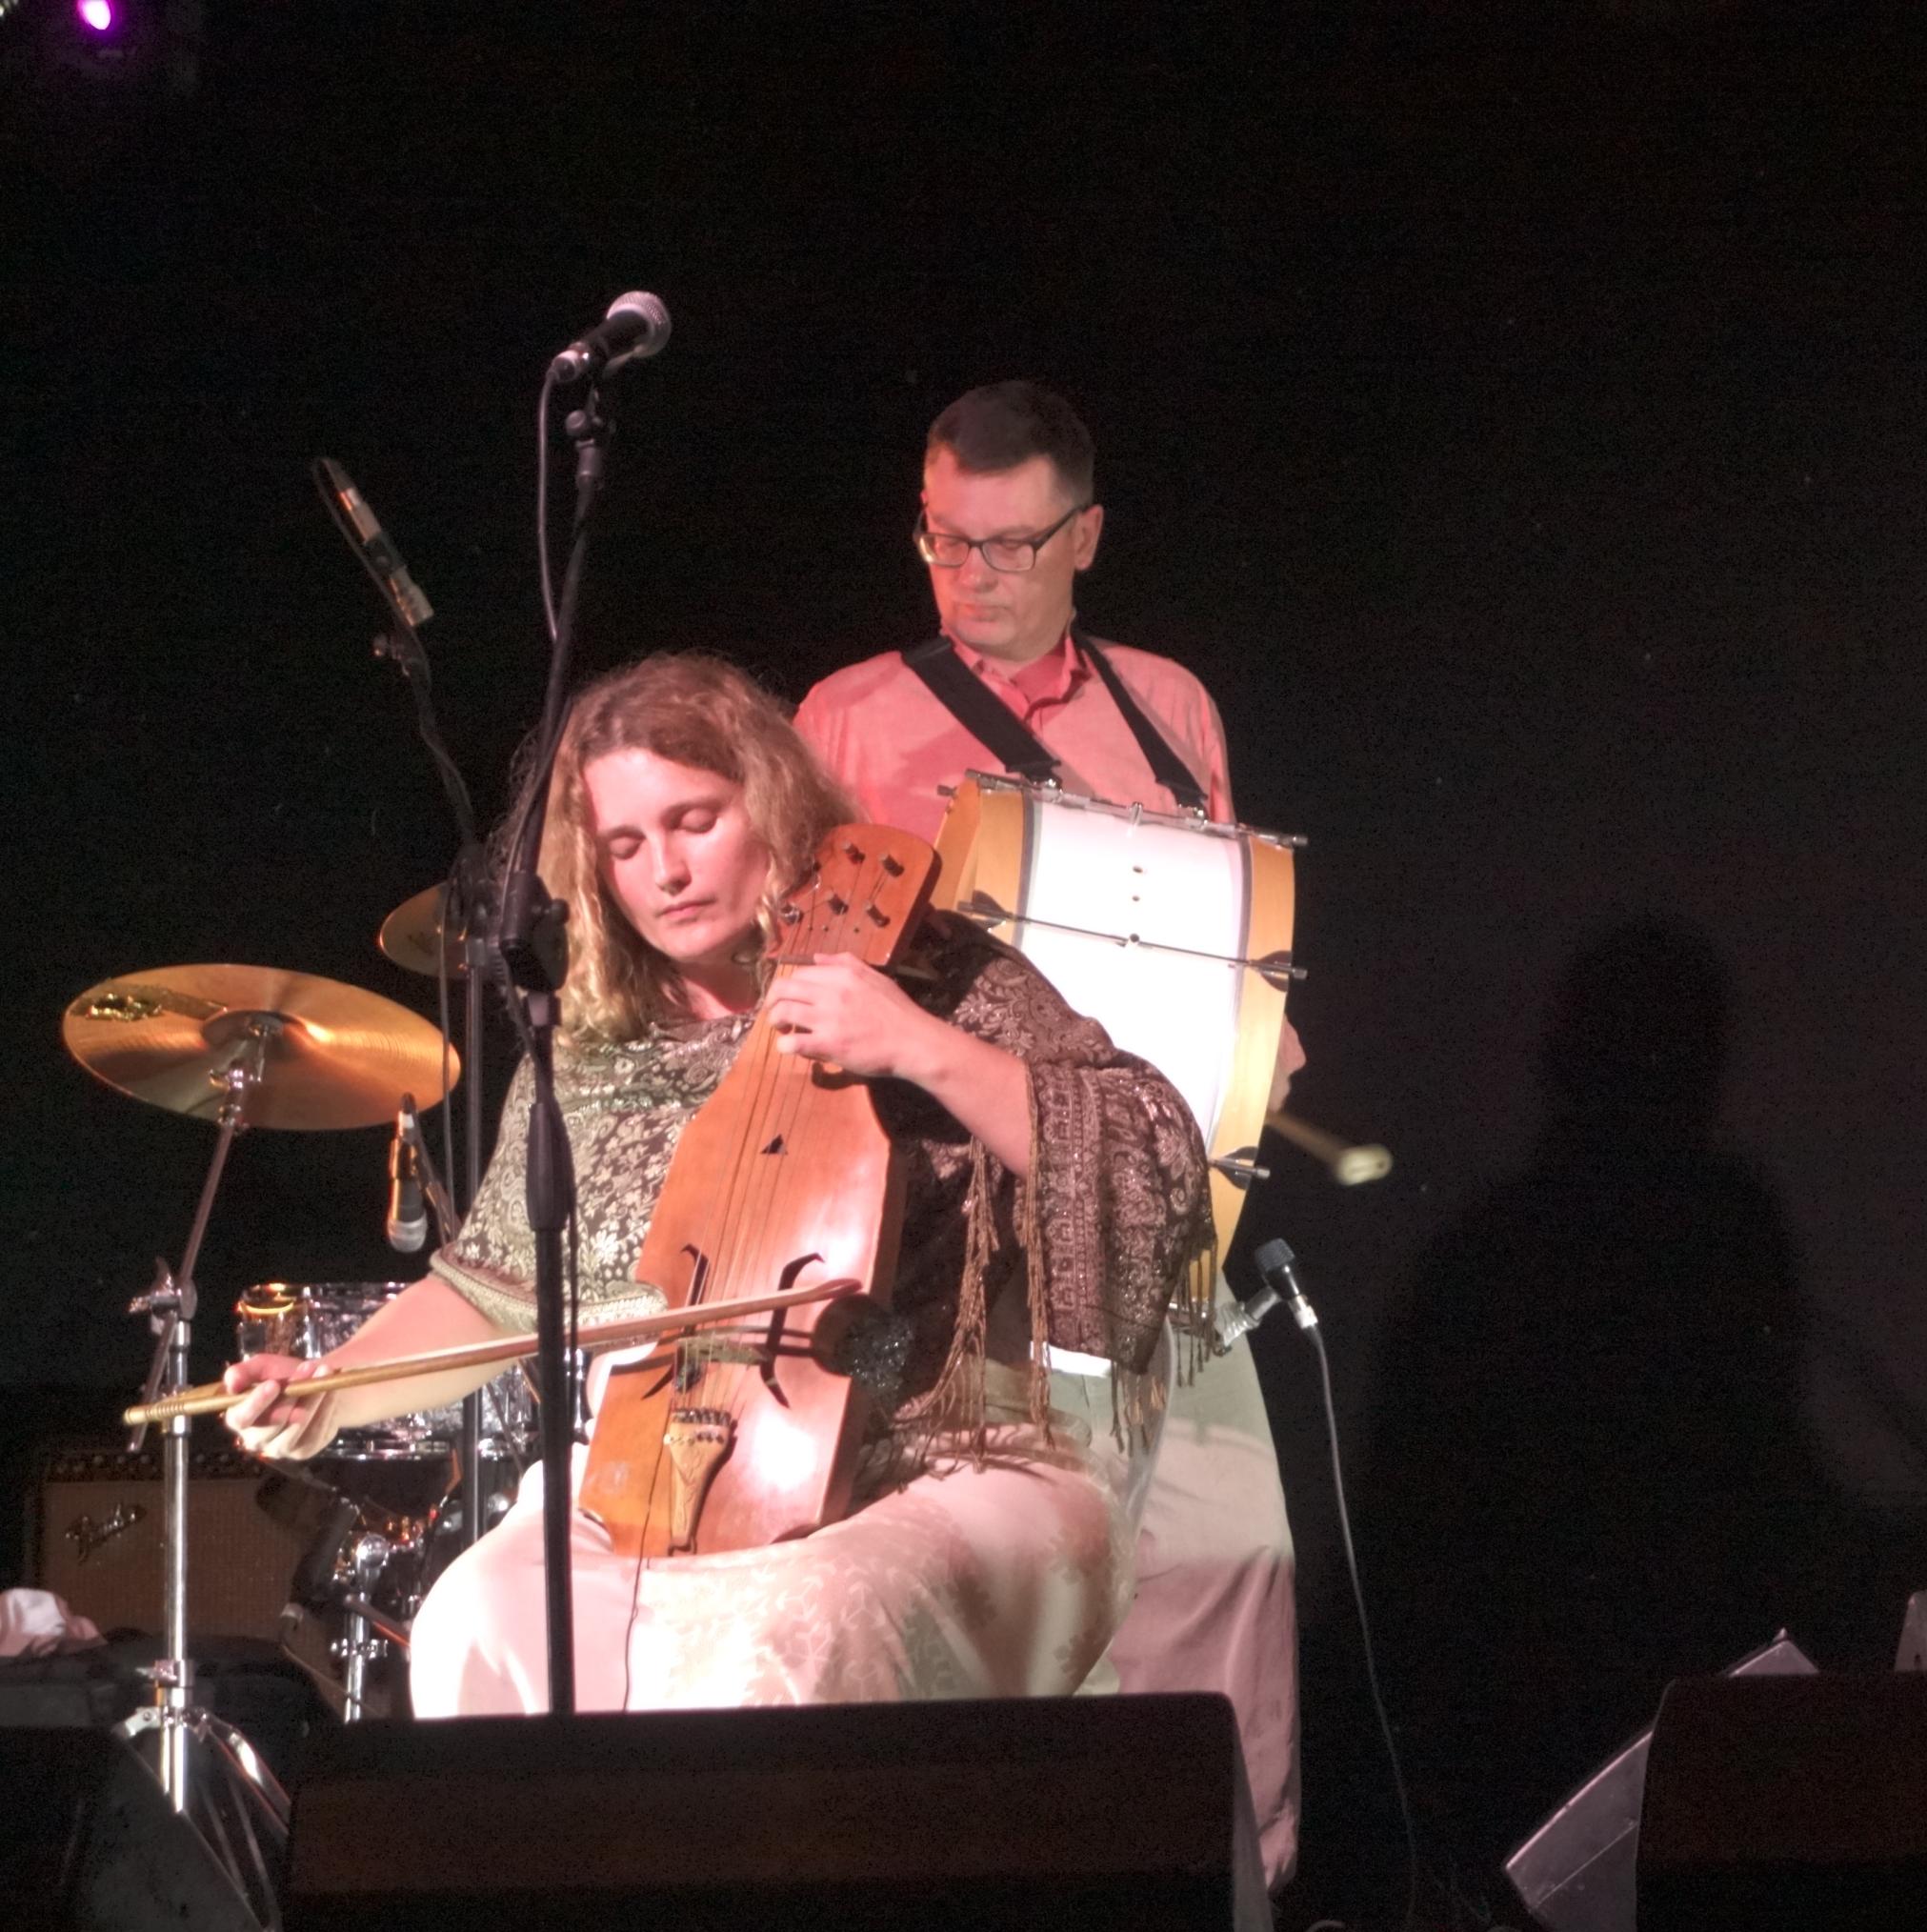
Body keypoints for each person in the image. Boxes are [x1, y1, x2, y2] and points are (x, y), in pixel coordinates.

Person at [224, 654, 1212, 1712]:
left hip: (946, 1454)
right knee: (479, 1613)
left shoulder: (923, 969)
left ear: (772, 809)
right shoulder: (597, 1046)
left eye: (693, 821)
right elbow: (490, 1291)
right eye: (625, 845)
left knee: (805, 1622)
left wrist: (920, 1046)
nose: (665, 870)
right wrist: (330, 1391)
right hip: (675, 1462)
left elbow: (1150, 1149)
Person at [797, 382, 1303, 1885]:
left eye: (1011, 545)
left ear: (1085, 537)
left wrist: (1258, 1036)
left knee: (1229, 1554)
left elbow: (1224, 928)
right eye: (944, 542)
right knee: (997, 1581)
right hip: (957, 1233)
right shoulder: (846, 715)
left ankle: (1235, 1922)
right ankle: (1005, 1906)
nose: (974, 578)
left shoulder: (1170, 704)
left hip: (1149, 1197)